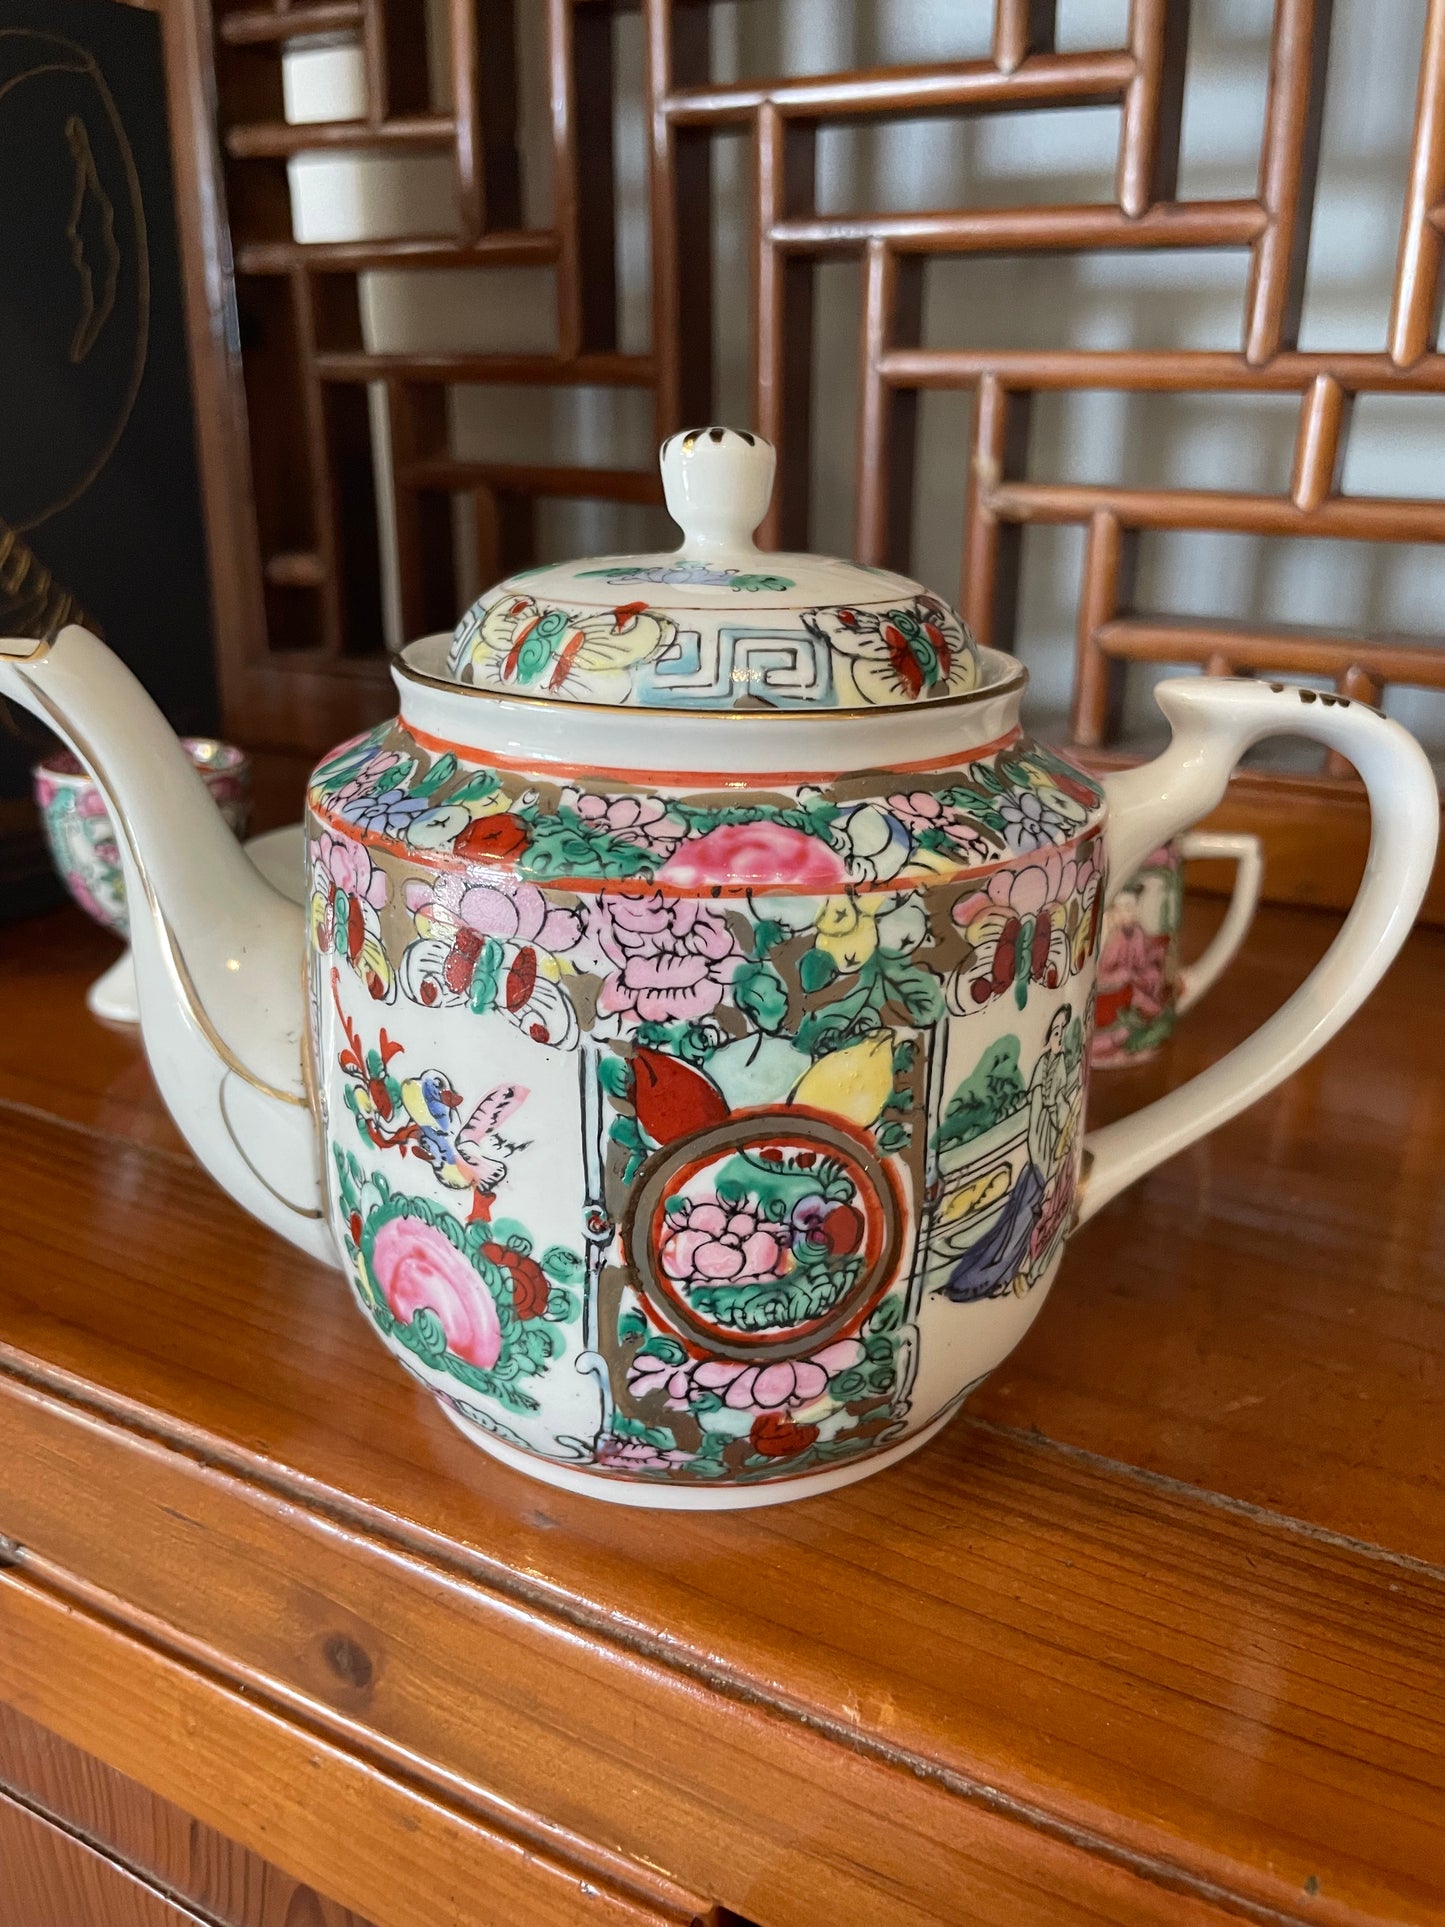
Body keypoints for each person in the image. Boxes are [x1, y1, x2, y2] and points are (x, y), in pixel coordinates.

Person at [940, 1004, 1077, 1302]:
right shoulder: (1042, 1064)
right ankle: (992, 1273)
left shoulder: (1061, 1065)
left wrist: (1059, 1118)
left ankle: (1008, 1273)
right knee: (1019, 1213)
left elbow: (1061, 1102)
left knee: (1028, 1212)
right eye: (1055, 1031)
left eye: (1061, 1032)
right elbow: (1039, 1104)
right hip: (1039, 1146)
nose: (1057, 1037)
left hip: (1049, 1147)